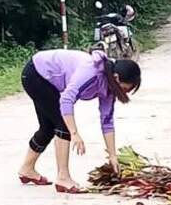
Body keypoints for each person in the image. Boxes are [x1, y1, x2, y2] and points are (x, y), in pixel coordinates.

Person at [18, 49, 141, 194]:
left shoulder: (110, 88)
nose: (125, 93)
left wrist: (113, 156)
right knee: (63, 125)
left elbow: (107, 121)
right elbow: (66, 99)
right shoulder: (91, 72)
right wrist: (74, 133)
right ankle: (63, 177)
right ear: (116, 78)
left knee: (48, 127)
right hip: (37, 73)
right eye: (126, 89)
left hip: (44, 78)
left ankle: (27, 169)